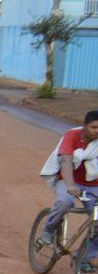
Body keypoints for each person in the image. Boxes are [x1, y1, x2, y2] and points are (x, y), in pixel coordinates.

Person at [37, 110, 98, 264]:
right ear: (84, 126)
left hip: (93, 185)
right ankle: (48, 230)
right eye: (94, 127)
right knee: (65, 202)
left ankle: (82, 258)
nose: (97, 131)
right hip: (68, 179)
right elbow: (65, 160)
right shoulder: (72, 135)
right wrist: (70, 185)